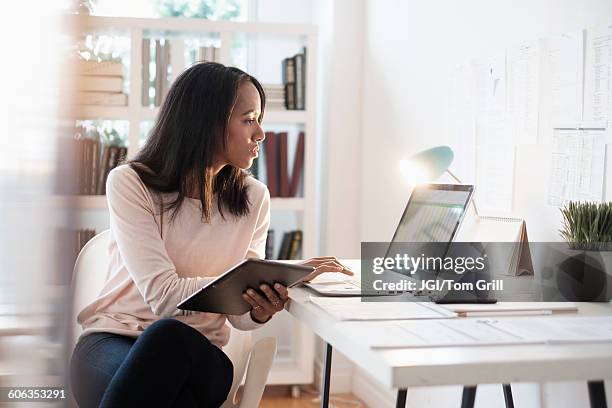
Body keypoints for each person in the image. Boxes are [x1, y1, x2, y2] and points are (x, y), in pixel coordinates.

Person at [70, 62, 352, 408]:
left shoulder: (253, 198)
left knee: (170, 340)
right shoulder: (131, 183)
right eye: (249, 119)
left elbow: (238, 317)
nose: (261, 133)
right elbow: (163, 297)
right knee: (171, 386)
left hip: (199, 353)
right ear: (205, 122)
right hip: (113, 340)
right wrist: (239, 284)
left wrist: (260, 306)